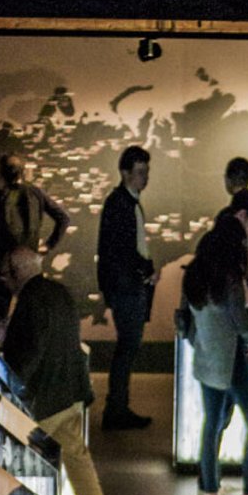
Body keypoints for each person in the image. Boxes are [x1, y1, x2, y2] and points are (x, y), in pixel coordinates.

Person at [0, 247, 114, 495]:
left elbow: (30, 352)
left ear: (17, 272)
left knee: (14, 461)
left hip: (44, 400)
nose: (4, 281)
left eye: (5, 275)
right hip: (71, 392)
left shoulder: (30, 301)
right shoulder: (58, 292)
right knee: (78, 459)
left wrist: (8, 386)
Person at [183, 219, 248, 495]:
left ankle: (210, 490)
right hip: (232, 358)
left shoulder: (194, 276)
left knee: (212, 423)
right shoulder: (230, 279)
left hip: (206, 356)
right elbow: (241, 321)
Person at [96, 144, 155, 430]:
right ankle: (116, 408)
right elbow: (123, 250)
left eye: (146, 172)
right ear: (125, 172)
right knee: (128, 347)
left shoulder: (121, 202)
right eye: (140, 172)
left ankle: (118, 406)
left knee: (127, 347)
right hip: (127, 287)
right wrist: (145, 269)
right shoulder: (123, 204)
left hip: (126, 286)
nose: (145, 177)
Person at [0, 153, 71, 326]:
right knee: (32, 316)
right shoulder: (36, 193)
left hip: (3, 264)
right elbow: (64, 218)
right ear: (23, 171)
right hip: (30, 262)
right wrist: (48, 245)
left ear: (1, 173)